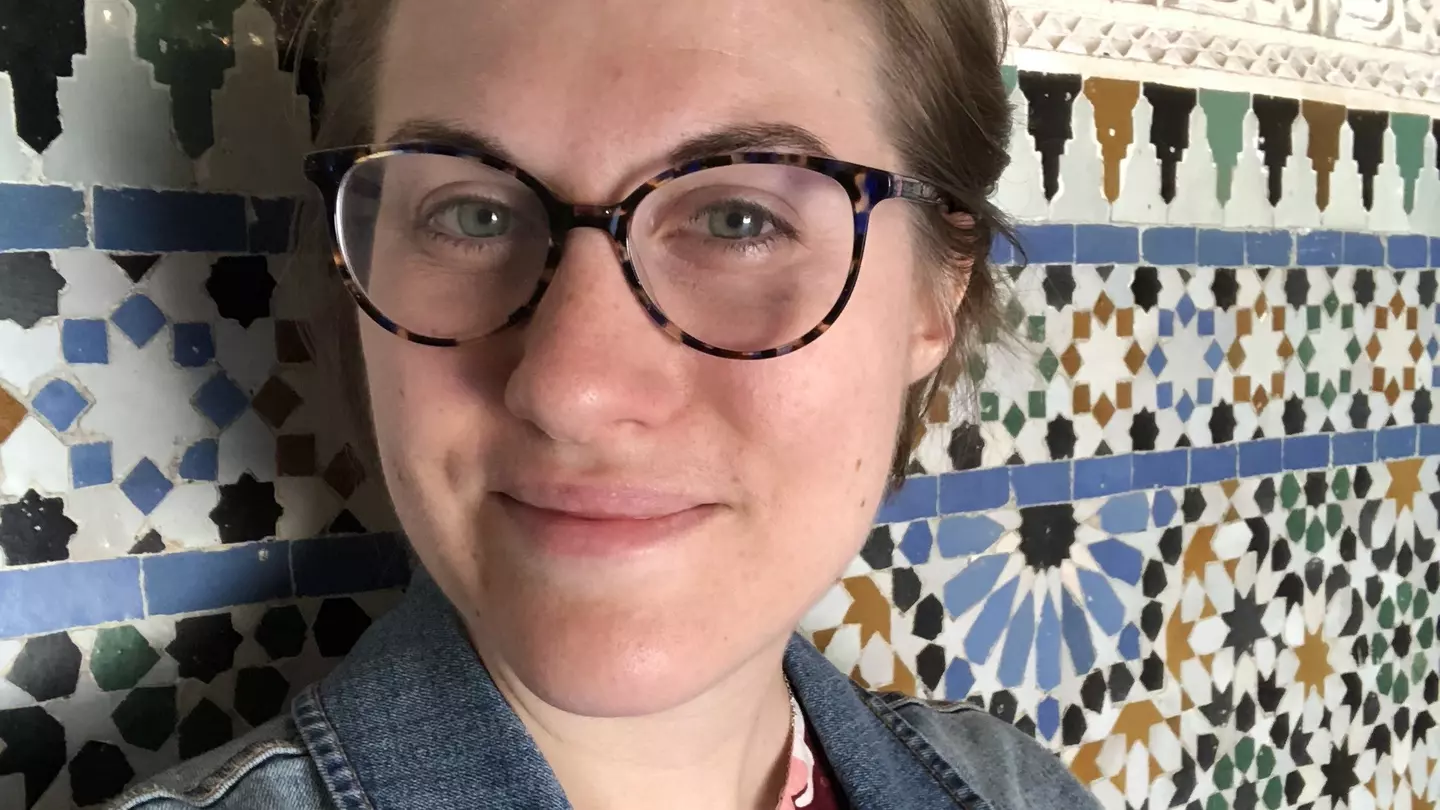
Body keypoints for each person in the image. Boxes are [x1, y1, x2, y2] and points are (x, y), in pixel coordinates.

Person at [111, 0, 1101, 807]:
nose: (569, 389)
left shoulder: (1017, 790)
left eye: (737, 218)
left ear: (940, 291)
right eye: (473, 213)